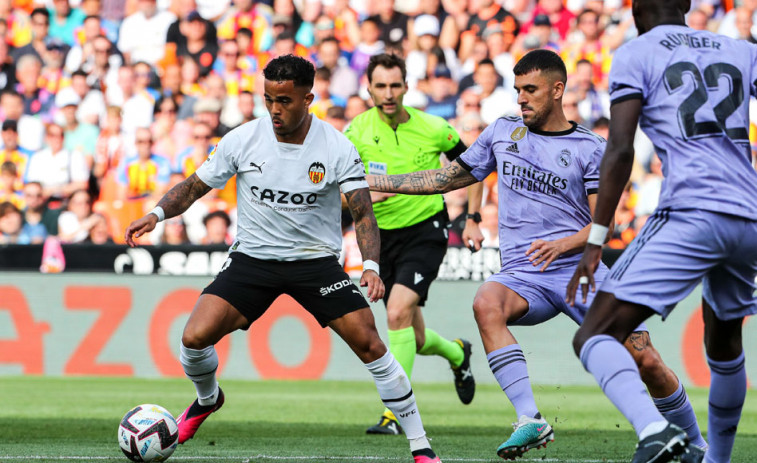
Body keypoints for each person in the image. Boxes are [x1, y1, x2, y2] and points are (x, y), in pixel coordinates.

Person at [366, 49, 705, 462]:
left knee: (645, 358)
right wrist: (374, 181)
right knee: (486, 303)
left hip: (578, 270)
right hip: (525, 275)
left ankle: (697, 444)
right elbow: (443, 178)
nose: (521, 98)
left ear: (557, 90)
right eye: (517, 90)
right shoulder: (502, 132)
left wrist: (564, 244)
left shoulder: (588, 147)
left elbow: (607, 224)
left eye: (531, 90)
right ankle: (530, 417)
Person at [124, 55, 443, 463]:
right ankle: (207, 400)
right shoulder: (243, 139)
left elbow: (363, 212)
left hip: (315, 263)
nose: (275, 109)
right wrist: (155, 215)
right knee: (193, 339)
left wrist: (371, 267)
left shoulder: (335, 146)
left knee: (371, 344)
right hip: (253, 259)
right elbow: (192, 187)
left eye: (285, 101)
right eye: (268, 99)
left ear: (308, 98)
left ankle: (420, 445)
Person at [568, 1, 757, 462]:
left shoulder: (637, 53)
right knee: (724, 339)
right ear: (687, 5)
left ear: (635, 11)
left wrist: (596, 240)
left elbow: (618, 149)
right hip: (749, 216)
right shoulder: (740, 50)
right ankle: (717, 460)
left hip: (692, 211)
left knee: (594, 334)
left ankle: (655, 431)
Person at [344, 53, 476, 436]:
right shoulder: (355, 132)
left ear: (406, 86)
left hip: (426, 229)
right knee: (414, 338)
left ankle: (394, 413)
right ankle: (457, 353)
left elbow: (475, 166)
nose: (388, 94)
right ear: (368, 88)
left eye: (395, 85)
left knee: (397, 310)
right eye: (380, 86)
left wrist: (472, 217)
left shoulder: (435, 128)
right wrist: (363, 199)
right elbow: (335, 191)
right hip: (381, 239)